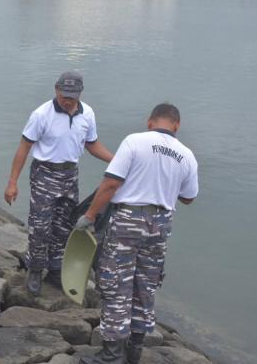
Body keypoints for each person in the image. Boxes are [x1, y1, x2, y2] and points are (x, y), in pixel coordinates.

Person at [75, 103, 198, 364]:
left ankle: (111, 355)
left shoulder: (135, 141)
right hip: (161, 225)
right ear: (177, 125)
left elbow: (111, 183)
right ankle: (134, 350)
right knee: (146, 286)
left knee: (116, 285)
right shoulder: (187, 155)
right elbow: (188, 198)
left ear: (150, 121)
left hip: (129, 220)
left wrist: (90, 216)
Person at [4, 71, 113, 296]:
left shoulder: (88, 113)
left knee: (64, 226)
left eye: (72, 96)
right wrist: (12, 182)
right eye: (64, 95)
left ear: (80, 94)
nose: (67, 100)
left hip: (69, 175)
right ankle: (35, 269)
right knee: (40, 226)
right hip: (44, 173)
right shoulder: (41, 114)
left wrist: (116, 161)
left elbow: (92, 145)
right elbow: (24, 148)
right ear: (56, 89)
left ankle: (55, 269)